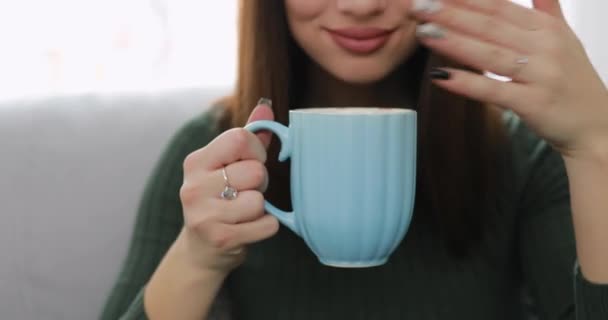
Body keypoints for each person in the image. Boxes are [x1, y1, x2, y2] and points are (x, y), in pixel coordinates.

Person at [100, 0, 608, 319]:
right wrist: (199, 256)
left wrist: (596, 147)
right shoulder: (215, 157)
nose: (361, 5)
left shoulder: (526, 156)